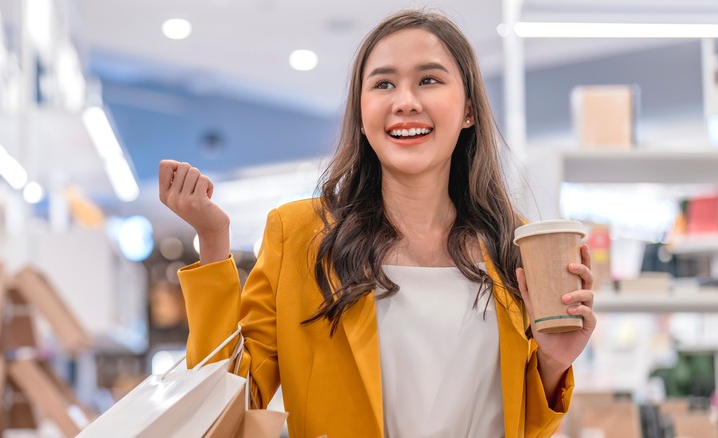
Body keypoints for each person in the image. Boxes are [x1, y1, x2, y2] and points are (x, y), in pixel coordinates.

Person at [158, 9, 596, 438]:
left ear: (468, 110)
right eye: (383, 83)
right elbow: (231, 403)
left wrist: (553, 364)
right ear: (362, 114)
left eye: (429, 80)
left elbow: (521, 424)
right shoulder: (299, 236)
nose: (405, 102)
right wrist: (213, 241)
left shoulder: (511, 243)